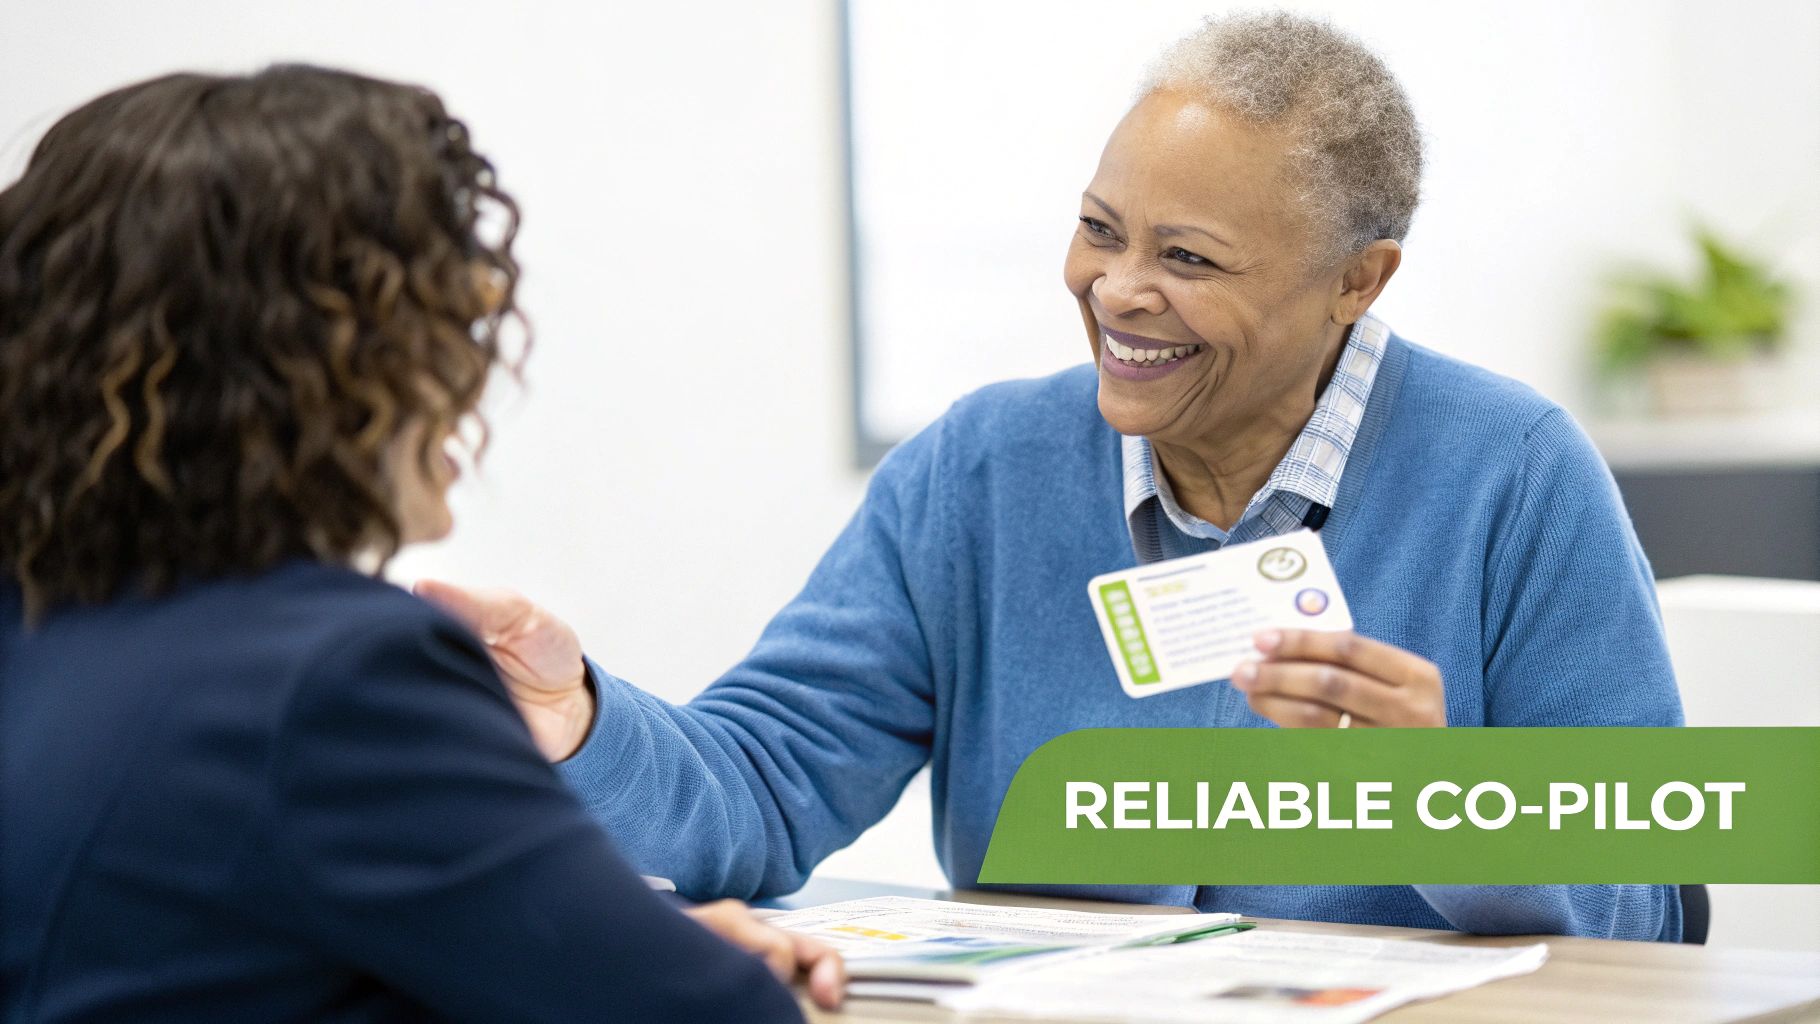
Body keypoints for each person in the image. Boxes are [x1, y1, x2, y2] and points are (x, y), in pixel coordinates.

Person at [424, 12, 1684, 940]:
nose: (1117, 291)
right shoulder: (978, 471)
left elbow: (1651, 909)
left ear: (1358, 281)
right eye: (1098, 230)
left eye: (1187, 257)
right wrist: (578, 719)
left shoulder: (1513, 474)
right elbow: (759, 787)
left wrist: (1441, 795)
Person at [0, 66, 842, 1021]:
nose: (473, 369)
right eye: (445, 318)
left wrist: (616, 940)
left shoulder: (36, 624)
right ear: (313, 365)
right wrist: (659, 962)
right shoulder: (338, 675)